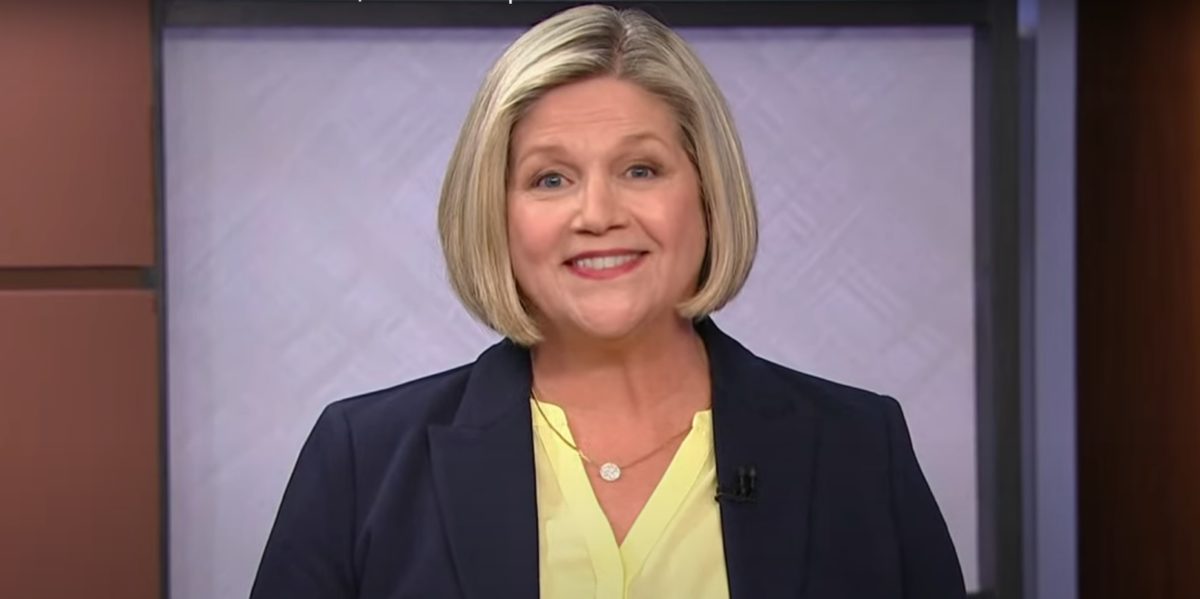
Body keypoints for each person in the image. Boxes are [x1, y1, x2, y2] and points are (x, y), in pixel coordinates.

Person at [250, 5, 966, 598]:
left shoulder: (858, 449)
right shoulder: (362, 460)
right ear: (495, 214)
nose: (597, 213)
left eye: (640, 168)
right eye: (550, 179)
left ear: (707, 195)